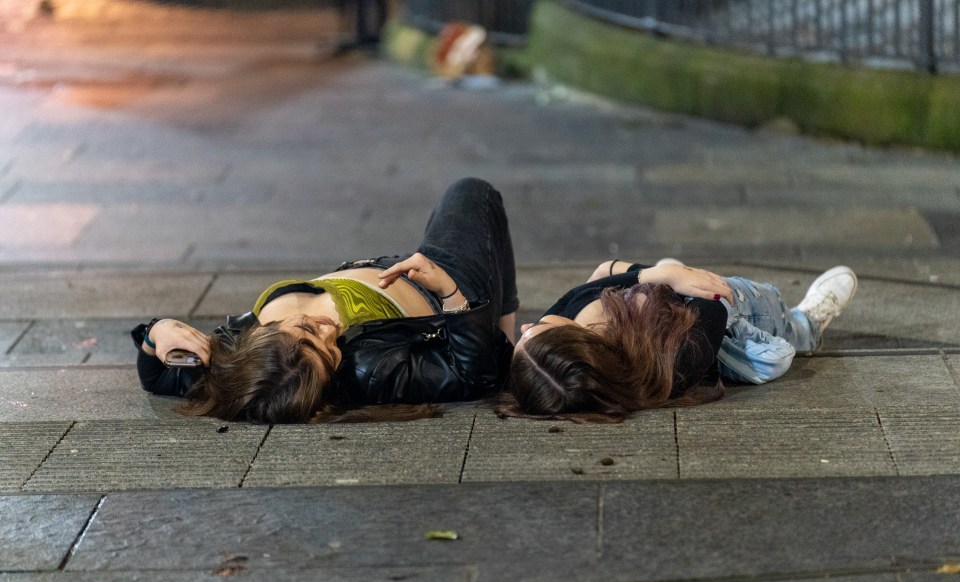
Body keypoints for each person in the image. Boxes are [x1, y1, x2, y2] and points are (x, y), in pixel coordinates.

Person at [132, 178, 518, 424]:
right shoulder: (370, 372)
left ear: (259, 340)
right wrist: (451, 293)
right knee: (471, 193)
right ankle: (504, 335)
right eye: (331, 352)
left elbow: (159, 377)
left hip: (385, 270)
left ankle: (505, 338)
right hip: (443, 284)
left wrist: (157, 333)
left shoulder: (233, 359)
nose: (331, 332)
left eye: (307, 329)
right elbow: (473, 377)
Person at [498, 259, 858, 423]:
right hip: (744, 319)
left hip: (674, 300)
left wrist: (661, 274)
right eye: (535, 329)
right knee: (741, 296)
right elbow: (715, 310)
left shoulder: (565, 321)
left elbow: (601, 272)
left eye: (524, 333)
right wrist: (664, 278)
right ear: (575, 342)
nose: (528, 323)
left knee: (678, 271)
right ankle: (805, 323)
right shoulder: (668, 365)